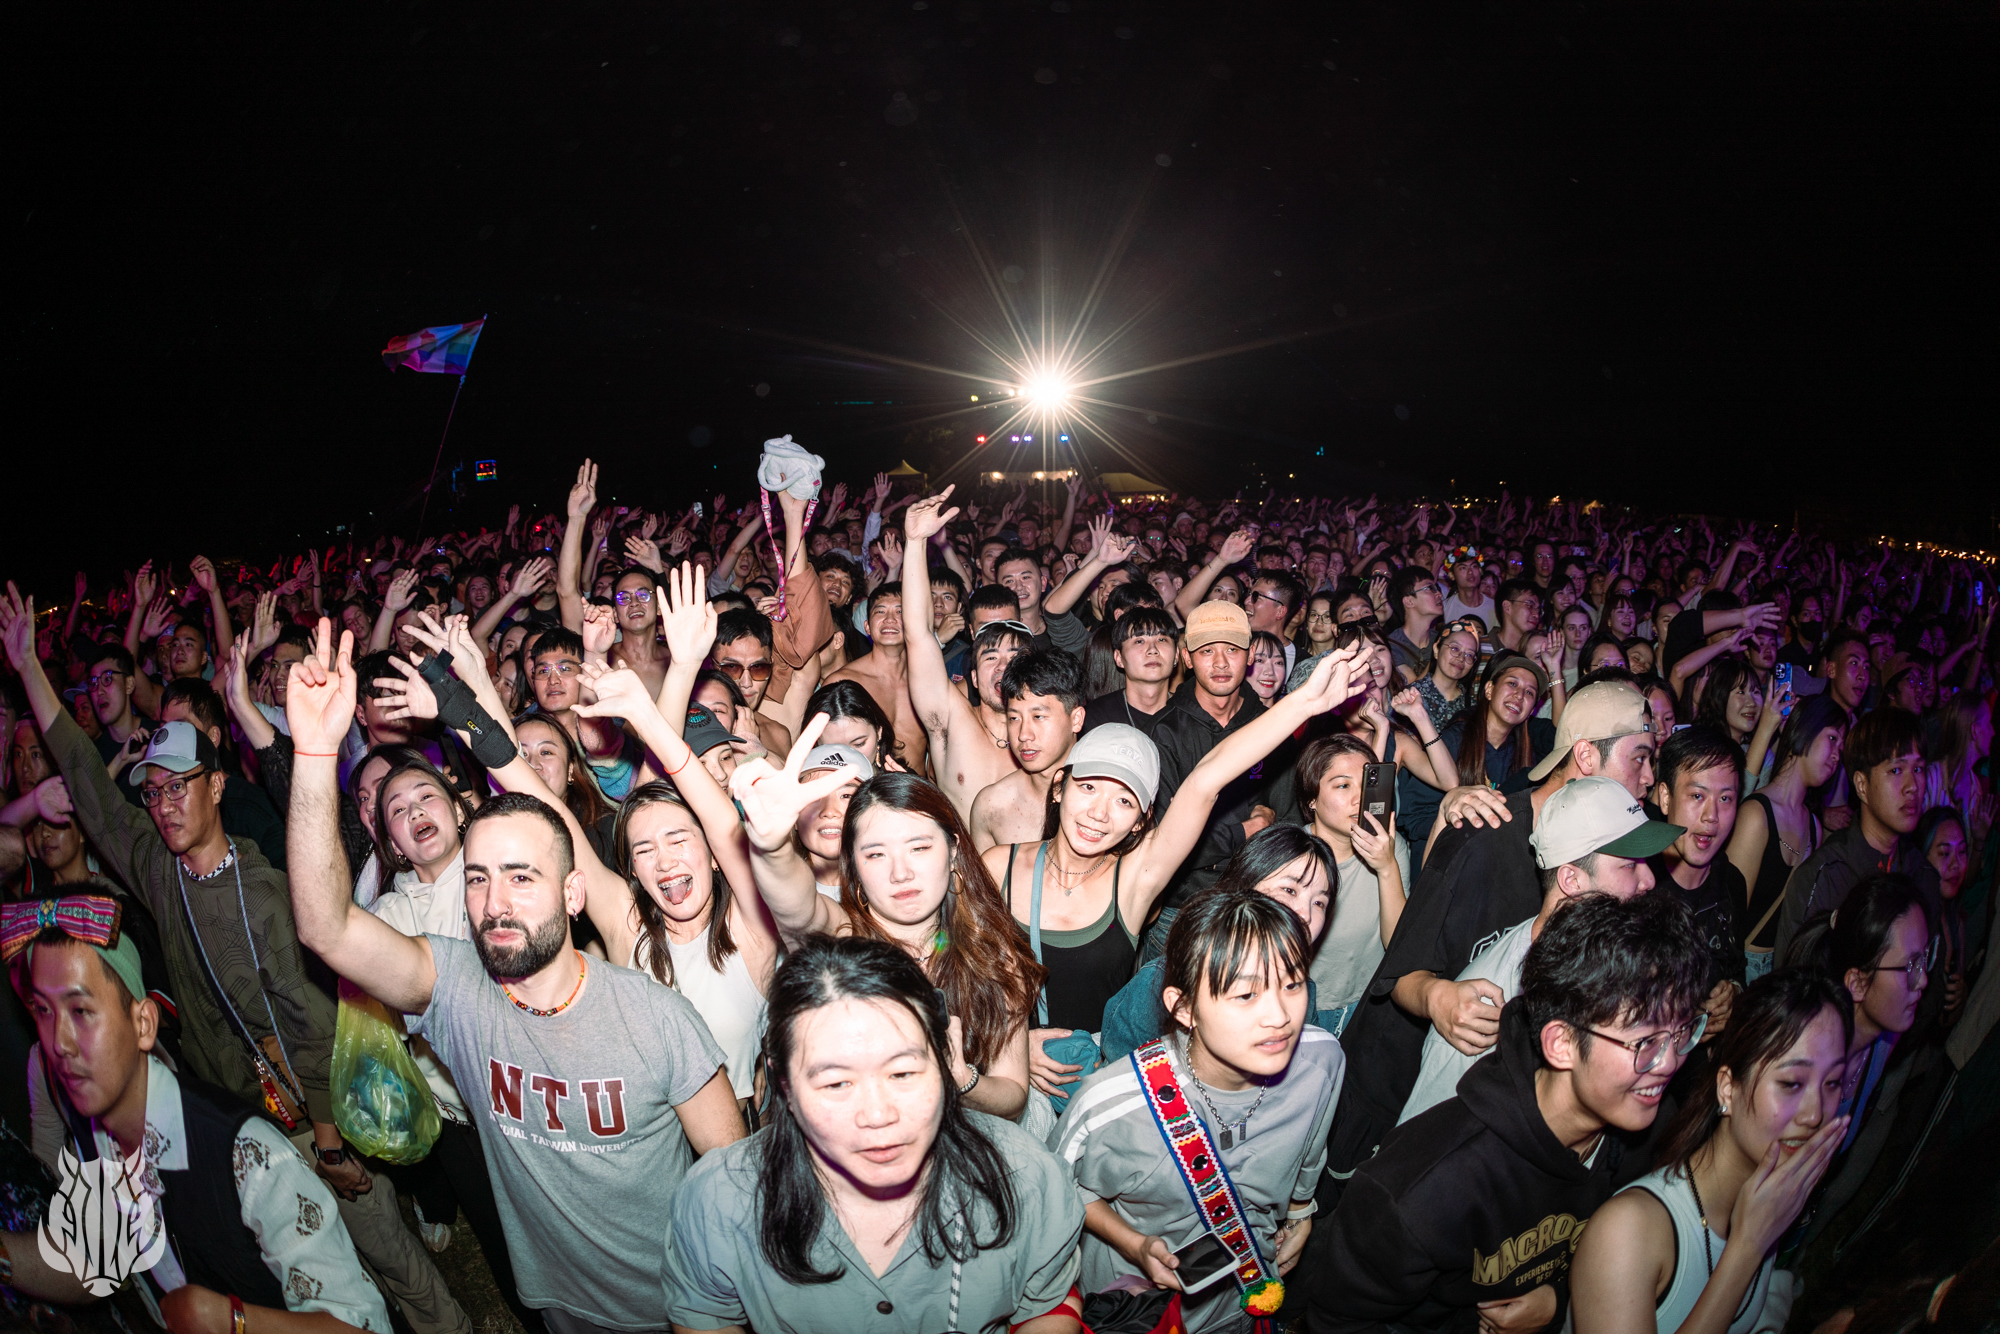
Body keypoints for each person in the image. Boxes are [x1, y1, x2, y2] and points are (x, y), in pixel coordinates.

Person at [0, 587, 470, 1334]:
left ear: (216, 785)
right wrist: (28, 668)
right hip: (244, 1132)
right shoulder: (158, 870)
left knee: (397, 1265)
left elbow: (312, 1025)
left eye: (180, 788)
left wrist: (327, 1142)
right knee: (304, 1286)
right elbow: (92, 793)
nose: (163, 807)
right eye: (152, 793)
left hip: (319, 1124)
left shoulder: (265, 888)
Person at [281, 619, 745, 1334]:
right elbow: (325, 926)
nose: (495, 903)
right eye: (479, 880)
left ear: (572, 893)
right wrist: (314, 754)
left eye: (522, 877)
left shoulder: (655, 1017)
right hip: (555, 1306)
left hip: (676, 1306)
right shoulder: (458, 989)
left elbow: (736, 1186)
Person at [1320, 679, 1659, 1212]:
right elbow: (1401, 961)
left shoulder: (1608, 859)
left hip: (1475, 1115)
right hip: (1389, 1084)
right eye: (1639, 758)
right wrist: (1437, 997)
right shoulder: (1484, 830)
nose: (1650, 779)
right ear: (1588, 755)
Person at [1305, 890, 1711, 1334]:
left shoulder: (1654, 1124)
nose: (1669, 1062)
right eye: (1644, 1042)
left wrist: (1561, 1299)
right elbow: (1336, 1322)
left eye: (1682, 1032)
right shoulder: (1421, 1187)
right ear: (1561, 1044)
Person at [988, 648, 1361, 1104]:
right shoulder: (995, 865)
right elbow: (954, 965)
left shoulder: (1135, 880)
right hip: (1001, 1070)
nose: (1100, 814)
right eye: (1088, 787)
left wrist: (1303, 703)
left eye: (1124, 801)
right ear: (1060, 788)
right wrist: (1008, 1047)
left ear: (1142, 821)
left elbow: (1206, 781)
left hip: (1094, 1083)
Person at [663, 935, 1085, 1334]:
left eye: (902, 1073)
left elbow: (1047, 1302)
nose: (879, 1115)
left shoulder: (1025, 1174)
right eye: (836, 1084)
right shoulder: (720, 1200)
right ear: (785, 1086)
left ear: (944, 1060)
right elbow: (706, 1313)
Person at [10, 911, 393, 1333]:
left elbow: (362, 1327)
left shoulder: (244, 1154)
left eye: (80, 1010)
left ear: (143, 1024)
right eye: (42, 1011)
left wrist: (234, 1322)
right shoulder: (92, 1138)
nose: (57, 1042)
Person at [1052, 890, 1345, 1334]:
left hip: (1249, 1295)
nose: (1279, 1016)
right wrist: (1135, 1245)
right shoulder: (1111, 1105)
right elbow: (1058, 1193)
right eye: (1246, 994)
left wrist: (1301, 1212)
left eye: (1292, 983)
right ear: (1184, 1007)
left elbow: (1310, 1152)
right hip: (1143, 1310)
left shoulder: (1321, 1062)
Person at [731, 725, 1042, 1123]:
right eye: (876, 855)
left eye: (919, 847)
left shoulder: (992, 955)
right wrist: (772, 847)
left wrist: (962, 1079)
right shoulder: (844, 941)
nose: (901, 873)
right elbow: (797, 909)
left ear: (952, 851)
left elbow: (1013, 1095)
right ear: (854, 870)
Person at [1570, 969, 1853, 1334]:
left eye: (1832, 1083)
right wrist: (1748, 1246)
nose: (1816, 1113)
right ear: (1727, 1089)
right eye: (1791, 1083)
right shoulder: (1628, 1233)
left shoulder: (1768, 1199)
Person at [1399, 774, 1681, 1125]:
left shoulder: (1617, 963)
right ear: (1571, 880)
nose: (1650, 881)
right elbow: (1419, 1141)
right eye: (1629, 864)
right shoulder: (1488, 1004)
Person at [1097, 824, 1339, 1061]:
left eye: (1319, 903)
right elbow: (1124, 1072)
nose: (1306, 915)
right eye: (1289, 890)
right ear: (1244, 887)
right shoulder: (1163, 981)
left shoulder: (1301, 990)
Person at [897, 489, 1025, 821]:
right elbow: (919, 635)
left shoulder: (1048, 732)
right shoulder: (952, 721)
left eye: (1015, 654)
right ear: (972, 675)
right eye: (990, 657)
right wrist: (914, 543)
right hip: (962, 870)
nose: (1004, 665)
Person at [1773, 707, 1938, 960]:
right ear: (1861, 785)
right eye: (1896, 770)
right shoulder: (1824, 877)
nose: (1913, 787)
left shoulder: (1924, 875)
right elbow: (1796, 989)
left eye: (1919, 769)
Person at [1294, 733, 1410, 1036]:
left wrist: (1386, 867)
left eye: (1367, 783)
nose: (1360, 798)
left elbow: (1398, 943)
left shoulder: (1392, 847)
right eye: (1343, 785)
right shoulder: (1289, 855)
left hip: (1367, 1001)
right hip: (1302, 1002)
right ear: (1312, 800)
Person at [1650, 726, 1751, 1033]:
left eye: (1726, 799)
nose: (1712, 816)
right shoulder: (1638, 882)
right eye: (1697, 796)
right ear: (1666, 798)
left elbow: (1736, 965)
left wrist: (1732, 992)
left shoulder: (1731, 882)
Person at [1080, 605, 1181, 740]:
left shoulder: (1191, 714)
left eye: (1161, 639)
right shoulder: (1096, 718)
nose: (1152, 649)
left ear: (1176, 655)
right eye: (1139, 641)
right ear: (1119, 658)